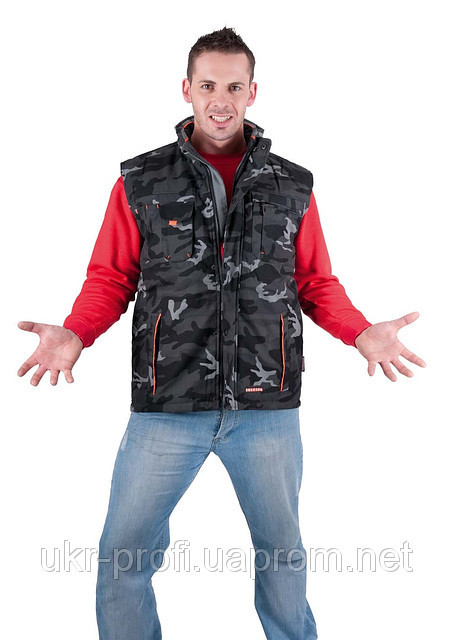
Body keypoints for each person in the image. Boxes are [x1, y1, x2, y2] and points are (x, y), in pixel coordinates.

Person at [17, 26, 426, 640]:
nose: (220, 100)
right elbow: (110, 277)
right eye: (208, 85)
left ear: (252, 92)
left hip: (267, 406)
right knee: (122, 558)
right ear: (186, 89)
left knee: (283, 557)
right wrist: (75, 334)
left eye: (234, 87)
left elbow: (314, 281)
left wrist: (361, 332)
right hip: (166, 403)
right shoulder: (140, 181)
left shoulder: (292, 185)